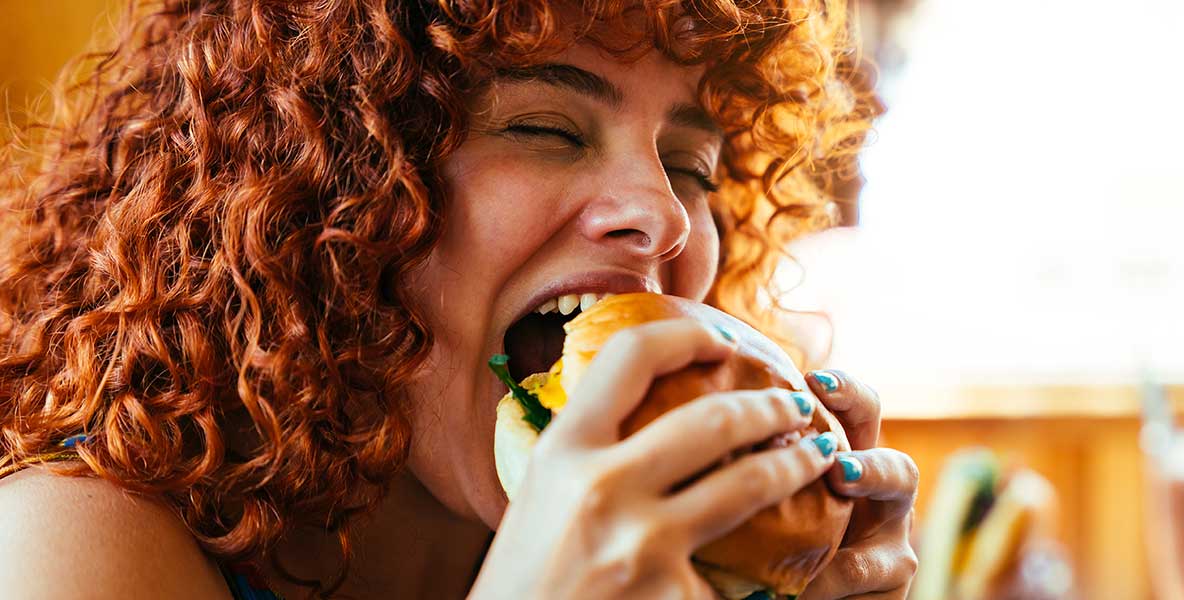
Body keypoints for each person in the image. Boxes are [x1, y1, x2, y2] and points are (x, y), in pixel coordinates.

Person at [0, 1, 917, 598]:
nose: (663, 215)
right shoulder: (68, 548)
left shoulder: (659, 558)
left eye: (690, 165)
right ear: (319, 193)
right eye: (546, 128)